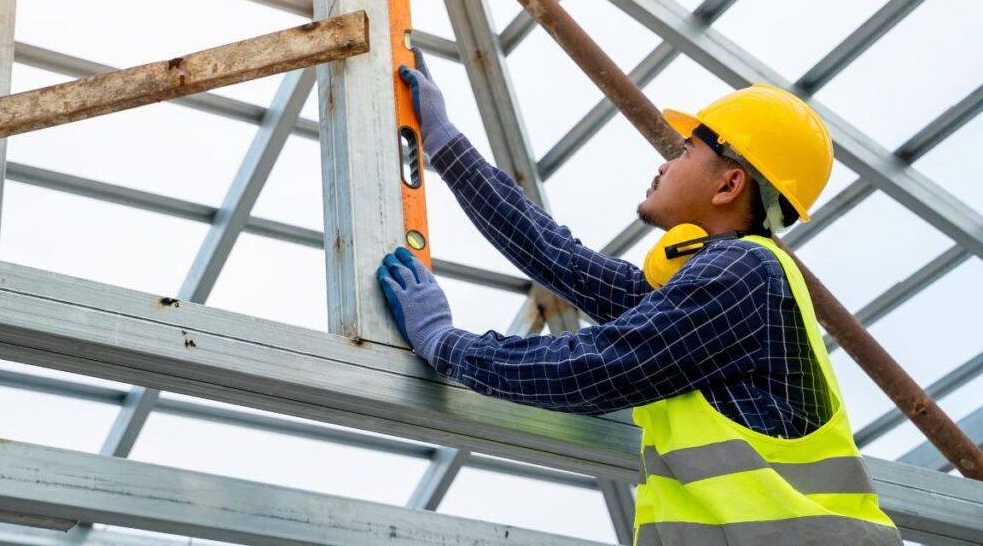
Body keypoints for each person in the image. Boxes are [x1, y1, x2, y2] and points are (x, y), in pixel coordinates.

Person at [377, 50, 901, 545]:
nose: (665, 164)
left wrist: (444, 344)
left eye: (684, 150)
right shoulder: (716, 294)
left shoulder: (741, 273)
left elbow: (591, 368)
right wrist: (444, 143)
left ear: (729, 185)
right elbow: (559, 258)